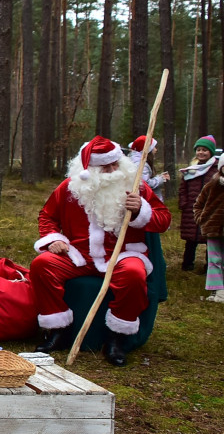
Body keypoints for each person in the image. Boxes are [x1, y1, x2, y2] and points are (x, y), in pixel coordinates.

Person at [31, 136, 172, 366]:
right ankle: (58, 330)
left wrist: (140, 211)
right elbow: (47, 216)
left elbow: (164, 220)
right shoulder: (69, 188)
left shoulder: (136, 187)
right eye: (106, 167)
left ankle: (117, 337)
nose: (114, 170)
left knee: (135, 274)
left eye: (116, 163)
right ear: (90, 170)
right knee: (42, 265)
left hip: (122, 255)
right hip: (79, 255)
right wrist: (53, 240)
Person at [179, 135, 219, 272]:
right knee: (191, 239)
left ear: (211, 152)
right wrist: (184, 203)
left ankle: (210, 266)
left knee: (211, 239)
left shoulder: (217, 169)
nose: (201, 153)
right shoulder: (191, 169)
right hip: (191, 209)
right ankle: (187, 264)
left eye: (205, 150)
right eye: (199, 150)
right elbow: (183, 188)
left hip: (210, 210)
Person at [193, 155, 224, 303]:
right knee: (214, 260)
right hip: (213, 229)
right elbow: (198, 204)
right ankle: (217, 291)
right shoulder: (212, 185)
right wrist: (201, 219)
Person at [128, 135, 168, 200]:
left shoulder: (137, 161)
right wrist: (161, 178)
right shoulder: (140, 165)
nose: (155, 150)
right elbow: (146, 184)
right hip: (146, 201)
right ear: (148, 150)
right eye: (154, 147)